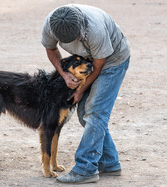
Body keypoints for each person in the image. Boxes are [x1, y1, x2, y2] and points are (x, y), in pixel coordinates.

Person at [41, 4, 130, 184]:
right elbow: (51, 50)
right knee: (84, 115)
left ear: (82, 27)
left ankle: (86, 168)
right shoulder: (51, 24)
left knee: (95, 112)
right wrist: (64, 73)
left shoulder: (94, 29)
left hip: (112, 61)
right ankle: (110, 163)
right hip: (89, 59)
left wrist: (81, 90)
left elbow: (99, 65)